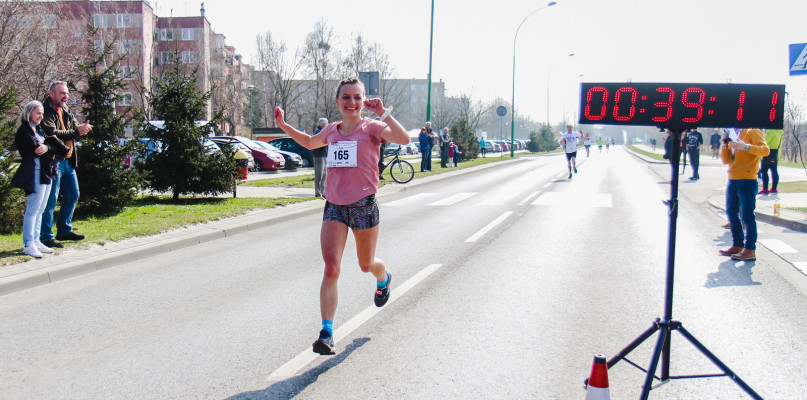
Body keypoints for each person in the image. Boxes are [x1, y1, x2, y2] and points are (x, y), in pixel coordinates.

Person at [273, 78, 409, 355]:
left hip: (363, 205)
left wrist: (383, 112)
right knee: (331, 267)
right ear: (337, 102)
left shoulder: (372, 128)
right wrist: (284, 126)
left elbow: (404, 138)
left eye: (357, 98)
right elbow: (310, 142)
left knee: (365, 264)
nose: (352, 103)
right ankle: (327, 332)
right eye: (346, 97)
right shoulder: (331, 131)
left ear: (362, 101)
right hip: (334, 205)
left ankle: (383, 278)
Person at [11, 101, 69, 258]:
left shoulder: (39, 130)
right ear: (29, 112)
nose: (40, 116)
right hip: (34, 173)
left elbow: (54, 147)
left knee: (41, 209)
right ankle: (28, 243)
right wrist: (48, 148)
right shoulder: (24, 131)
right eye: (38, 113)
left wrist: (48, 148)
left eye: (42, 114)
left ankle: (36, 241)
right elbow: (36, 150)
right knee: (33, 209)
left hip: (46, 172)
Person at [40, 81, 92, 248]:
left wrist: (82, 130)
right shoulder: (45, 110)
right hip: (54, 161)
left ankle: (63, 230)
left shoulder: (66, 110)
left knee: (72, 195)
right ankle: (46, 236)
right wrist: (77, 131)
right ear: (51, 94)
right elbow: (52, 133)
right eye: (62, 93)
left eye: (67, 94)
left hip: (68, 160)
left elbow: (73, 130)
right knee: (51, 200)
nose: (66, 97)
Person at [719, 127, 769, 261]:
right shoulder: (731, 134)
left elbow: (765, 150)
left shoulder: (752, 131)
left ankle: (750, 249)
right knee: (731, 212)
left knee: (747, 216)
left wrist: (745, 147)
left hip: (747, 178)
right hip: (733, 178)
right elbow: (726, 160)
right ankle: (737, 244)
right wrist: (724, 143)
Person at [759, 129, 782, 194]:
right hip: (775, 153)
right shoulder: (779, 133)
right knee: (774, 170)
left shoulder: (771, 131)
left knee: (764, 171)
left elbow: (765, 142)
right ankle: (774, 188)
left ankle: (765, 189)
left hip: (768, 152)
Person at [312, 118, 328, 198]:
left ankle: (323, 191)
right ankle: (317, 192)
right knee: (319, 174)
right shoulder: (318, 132)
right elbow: (321, 143)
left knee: (324, 174)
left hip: (324, 155)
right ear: (323, 125)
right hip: (319, 156)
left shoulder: (323, 132)